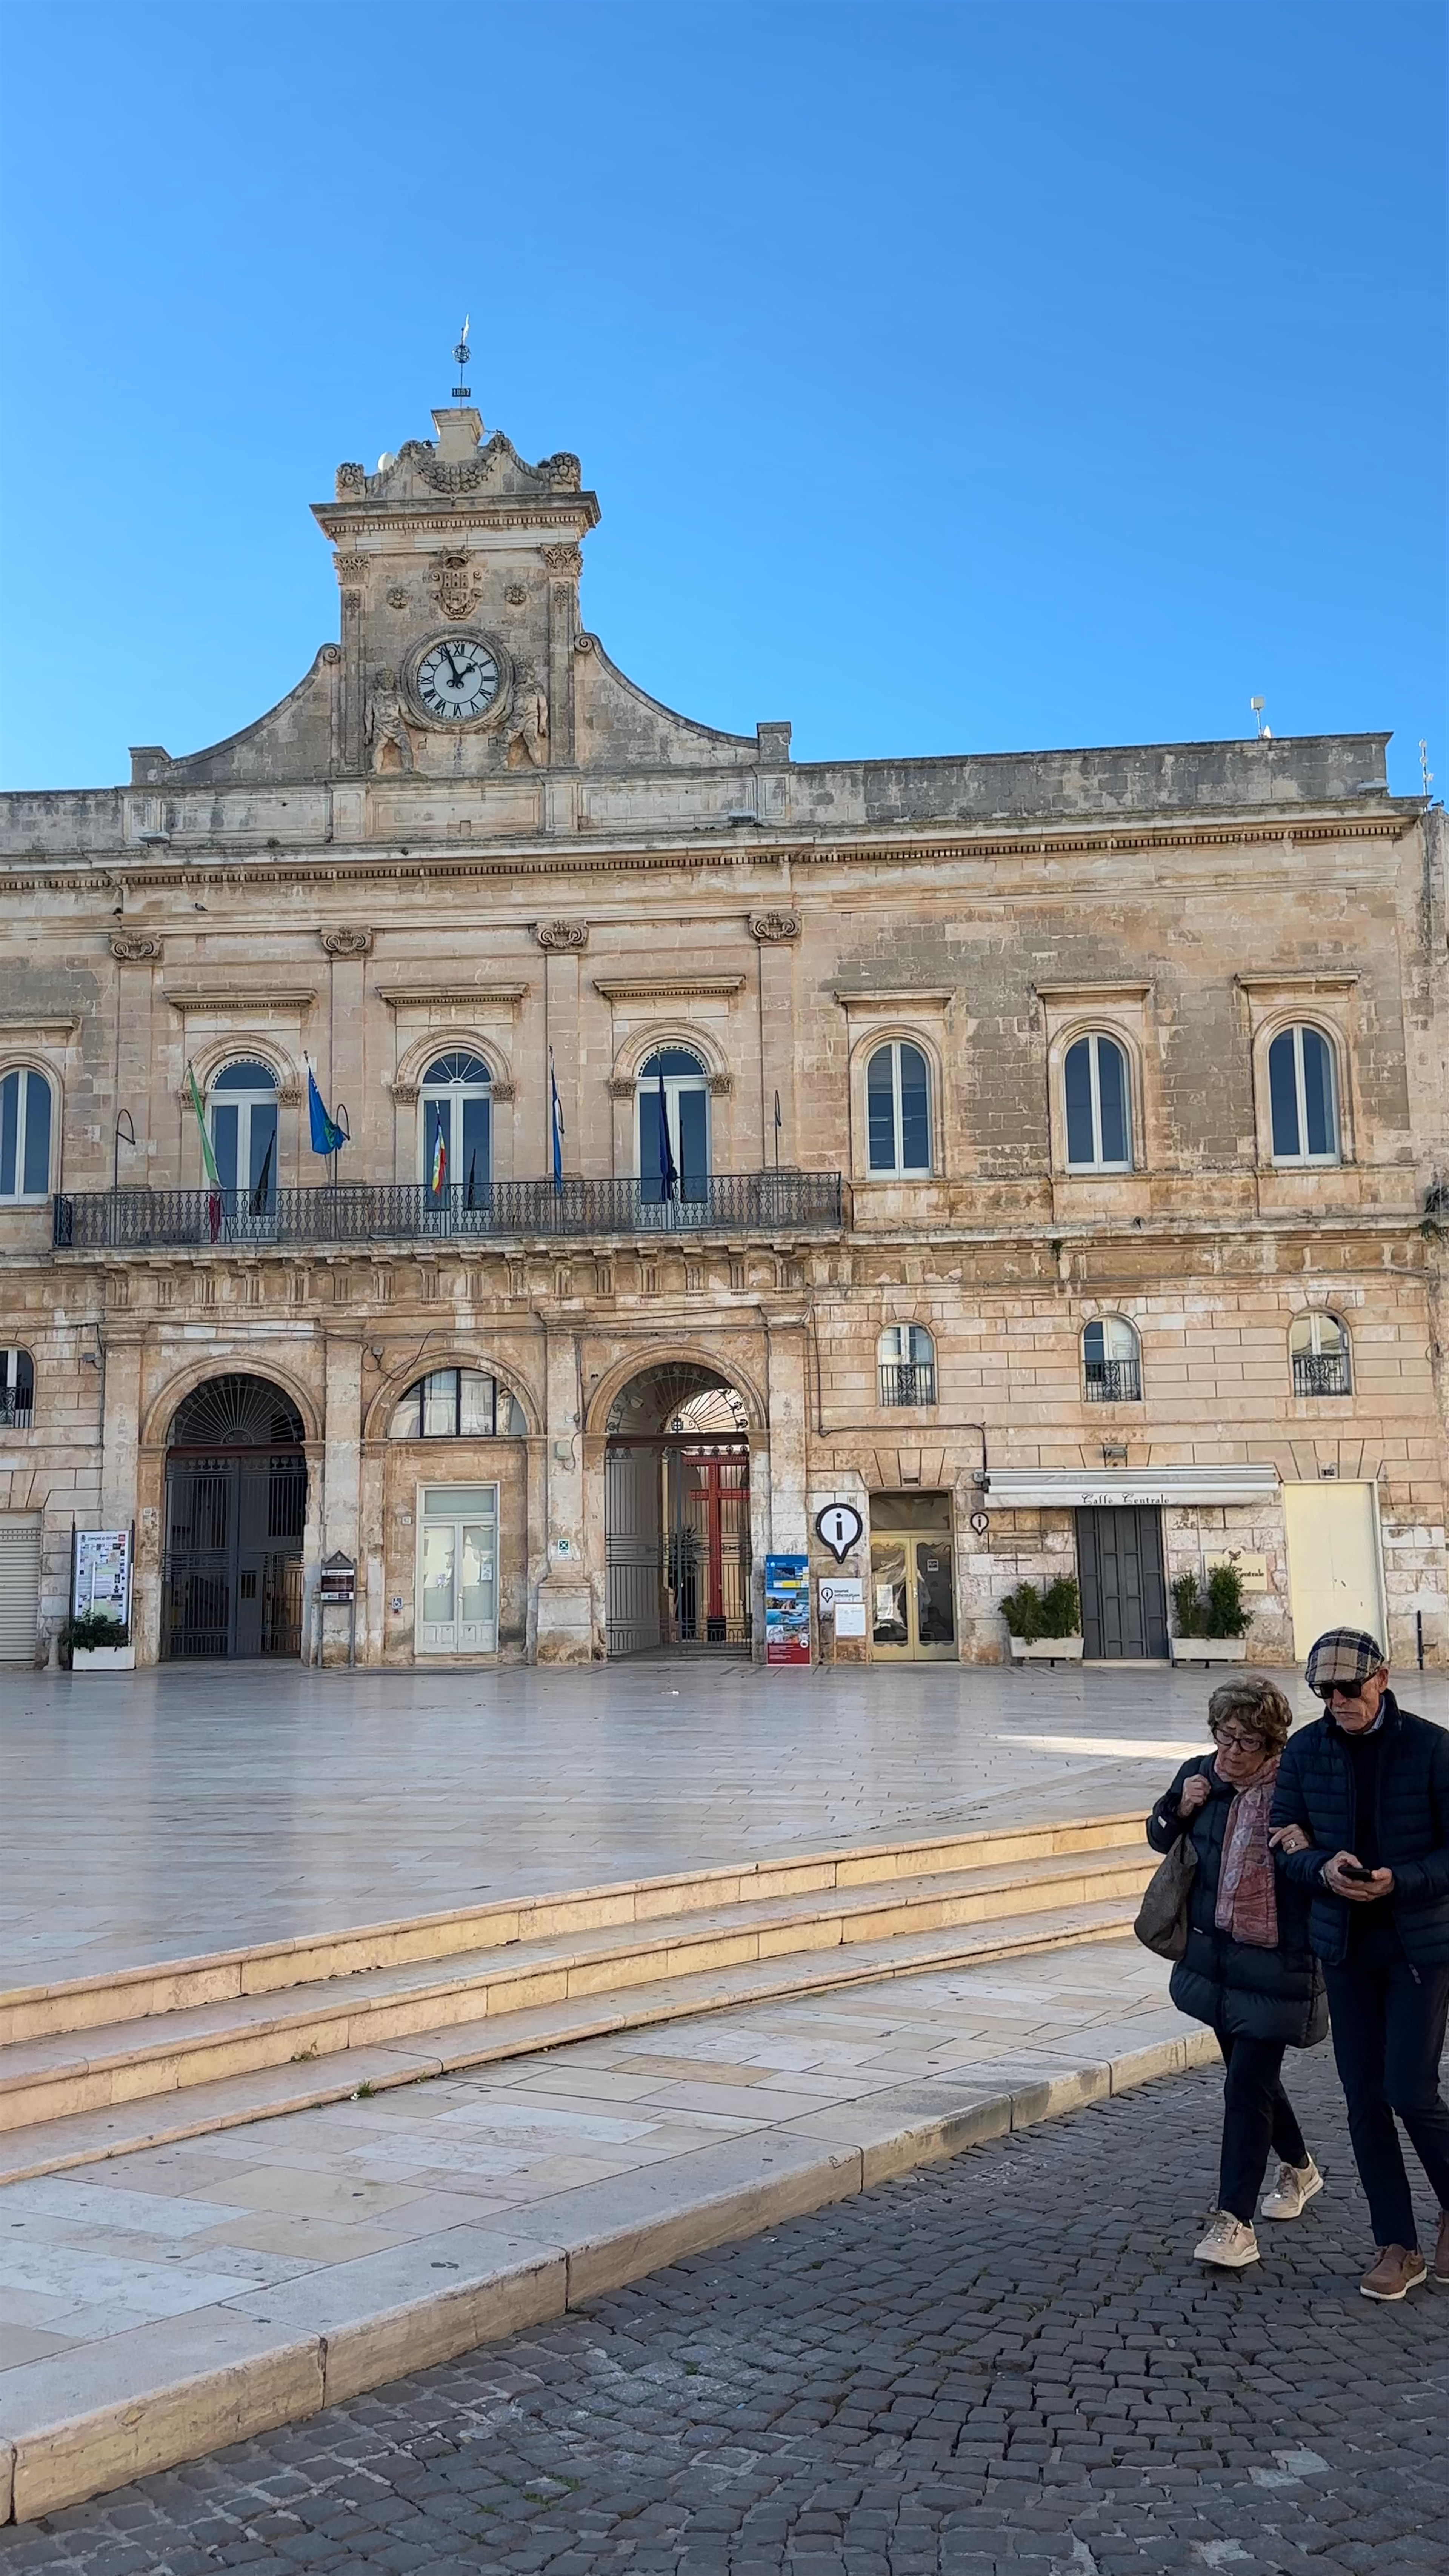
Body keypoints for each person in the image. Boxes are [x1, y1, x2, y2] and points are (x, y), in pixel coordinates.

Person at [1270, 1628, 1449, 2302]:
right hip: (1344, 1947)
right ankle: (1396, 2244)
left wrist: (1399, 1880)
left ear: (1383, 1678)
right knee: (1363, 2097)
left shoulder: (1432, 1747)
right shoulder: (1306, 1751)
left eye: (1349, 1687)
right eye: (1325, 1690)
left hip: (1419, 1946)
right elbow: (1281, 1841)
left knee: (1410, 2088)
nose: (1337, 1700)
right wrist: (1323, 1866)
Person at [1148, 1674, 1326, 2270]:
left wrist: (1306, 1845)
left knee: (1246, 2084)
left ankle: (1235, 2221)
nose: (1231, 1751)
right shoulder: (1201, 1774)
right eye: (1224, 1736)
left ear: (1273, 1743)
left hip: (1277, 1962)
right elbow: (1158, 1838)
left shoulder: (1296, 1788)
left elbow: (1323, 1863)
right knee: (1253, 2079)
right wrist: (1179, 1806)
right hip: (1216, 1959)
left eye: (1247, 1741)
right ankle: (1300, 2168)